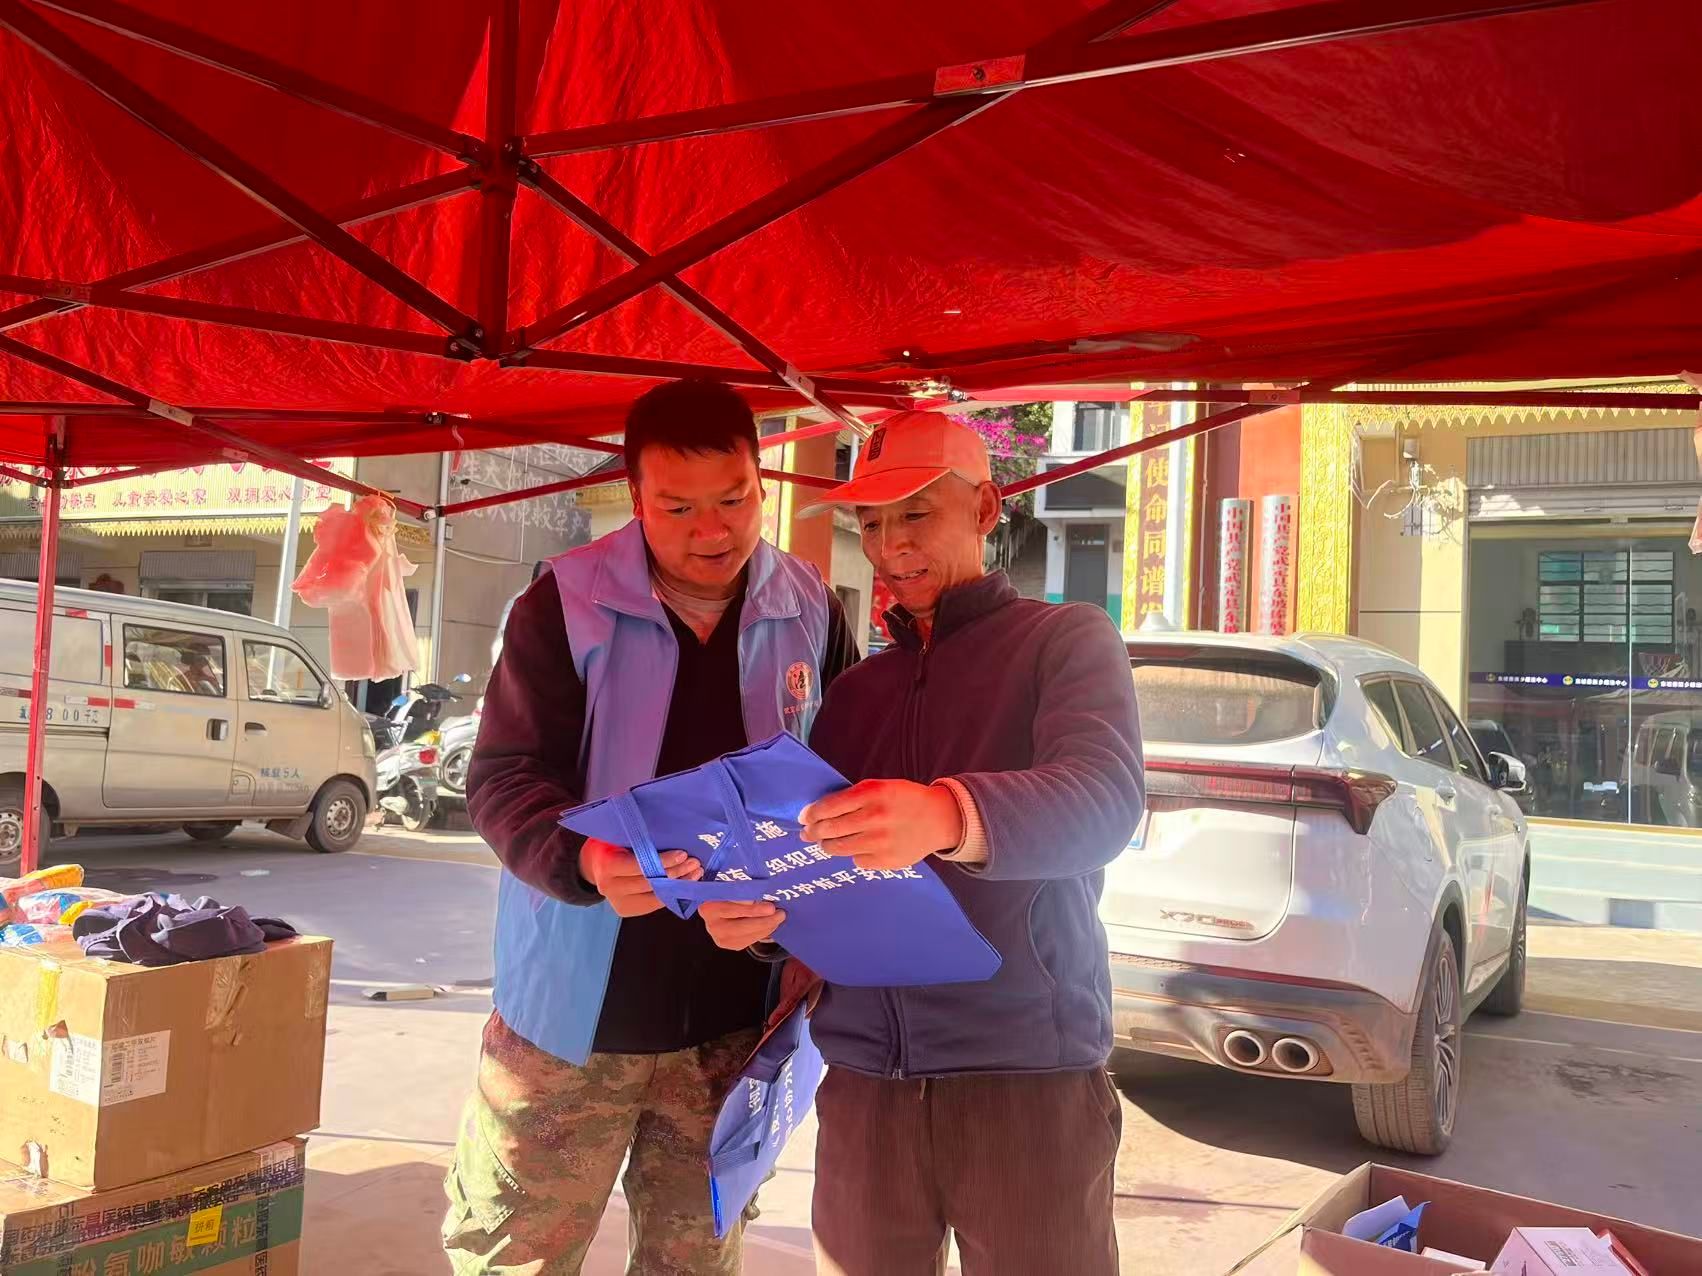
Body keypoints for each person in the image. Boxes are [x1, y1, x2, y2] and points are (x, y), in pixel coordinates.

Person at [700, 410, 1144, 1276]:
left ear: (984, 508)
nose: (890, 546)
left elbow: (1105, 802)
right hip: (865, 1083)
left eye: (915, 514)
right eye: (871, 523)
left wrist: (947, 815)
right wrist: (762, 919)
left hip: (1027, 1077)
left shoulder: (1065, 640)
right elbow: (820, 866)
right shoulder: (857, 693)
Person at [443, 379, 861, 1275]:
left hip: (736, 1021)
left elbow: (841, 788)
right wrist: (585, 859)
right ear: (635, 497)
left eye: (735, 500)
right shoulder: (563, 604)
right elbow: (503, 777)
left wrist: (804, 906)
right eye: (678, 508)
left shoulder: (810, 609)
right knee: (516, 1255)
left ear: (762, 482)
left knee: (697, 1260)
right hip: (573, 1016)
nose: (713, 533)